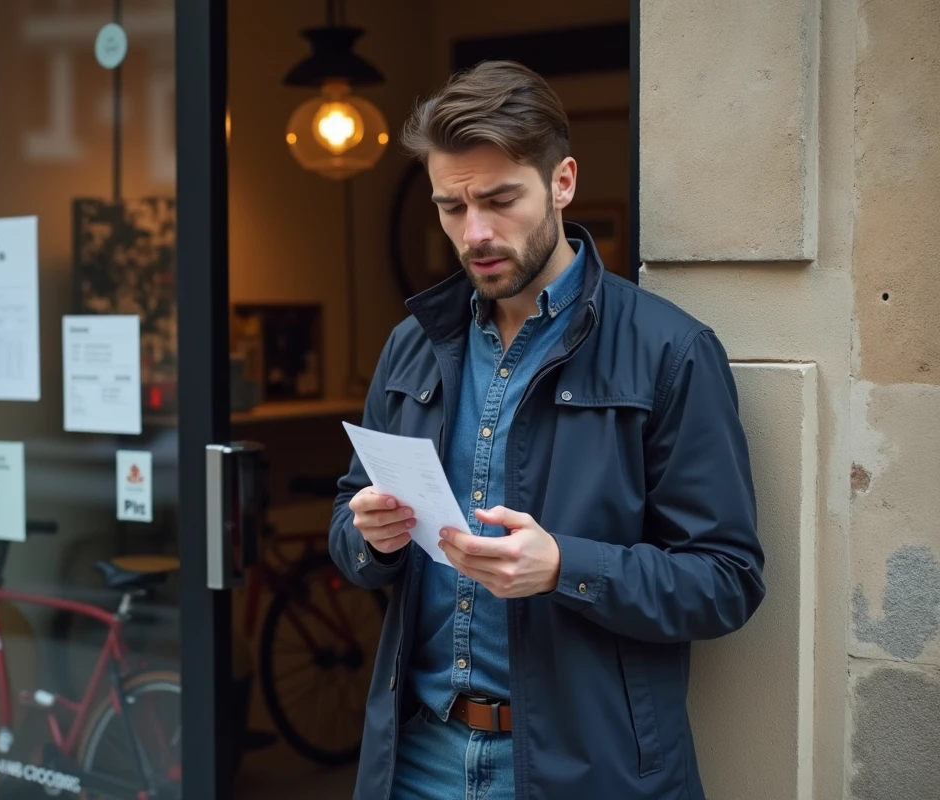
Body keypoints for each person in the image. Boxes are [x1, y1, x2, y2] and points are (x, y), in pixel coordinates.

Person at [328, 60, 765, 800]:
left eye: (501, 200)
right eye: (451, 207)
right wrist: (366, 534)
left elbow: (727, 581)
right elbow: (347, 524)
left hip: (583, 772)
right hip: (416, 761)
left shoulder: (670, 351)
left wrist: (567, 567)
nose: (475, 233)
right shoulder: (411, 345)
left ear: (562, 182)